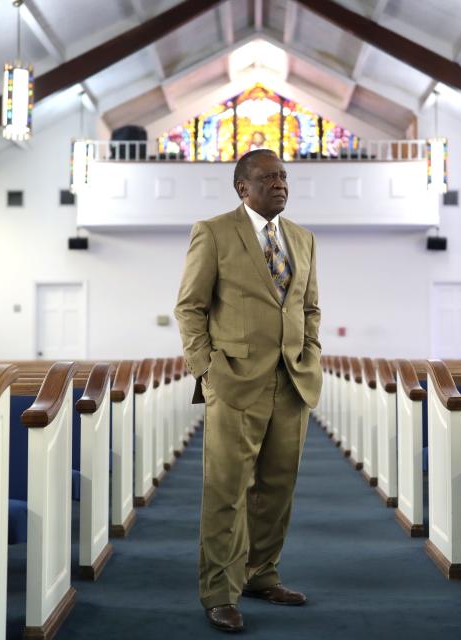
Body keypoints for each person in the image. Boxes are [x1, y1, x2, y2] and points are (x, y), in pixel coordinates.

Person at [174, 149, 322, 633]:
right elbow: (190, 308)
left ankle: (262, 574)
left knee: (277, 490)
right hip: (234, 381)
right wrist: (206, 371)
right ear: (243, 187)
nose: (280, 184)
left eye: (283, 177)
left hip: (292, 381)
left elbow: (309, 309)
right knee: (227, 491)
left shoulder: (302, 239)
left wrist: (310, 354)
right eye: (268, 178)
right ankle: (219, 591)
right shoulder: (214, 232)